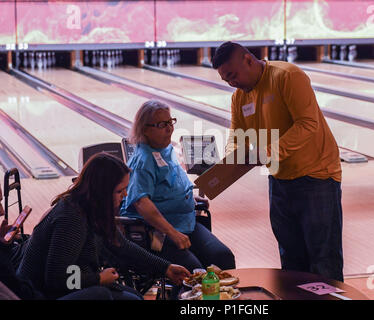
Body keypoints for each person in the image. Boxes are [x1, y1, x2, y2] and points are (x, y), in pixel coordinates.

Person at [212, 42, 343, 281]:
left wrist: (266, 152)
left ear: (248, 60)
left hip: (316, 176)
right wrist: (228, 162)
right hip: (280, 180)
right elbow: (237, 137)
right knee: (291, 259)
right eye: (226, 80)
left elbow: (308, 124)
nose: (232, 83)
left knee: (323, 259)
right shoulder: (239, 97)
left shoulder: (288, 76)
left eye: (233, 75)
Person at [16, 153, 190, 300]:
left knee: (134, 297)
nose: (126, 194)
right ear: (101, 191)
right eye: (119, 191)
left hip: (72, 286)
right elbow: (56, 278)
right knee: (103, 294)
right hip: (39, 294)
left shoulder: (92, 208)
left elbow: (122, 246)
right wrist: (97, 279)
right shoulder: (72, 218)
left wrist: (165, 268)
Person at [120, 100, 235, 272]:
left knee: (222, 256)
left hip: (185, 223)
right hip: (156, 232)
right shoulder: (143, 161)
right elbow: (141, 202)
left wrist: (188, 197)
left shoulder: (166, 150)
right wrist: (173, 234)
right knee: (193, 271)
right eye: (161, 125)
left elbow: (171, 184)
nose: (169, 129)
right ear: (145, 130)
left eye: (170, 122)